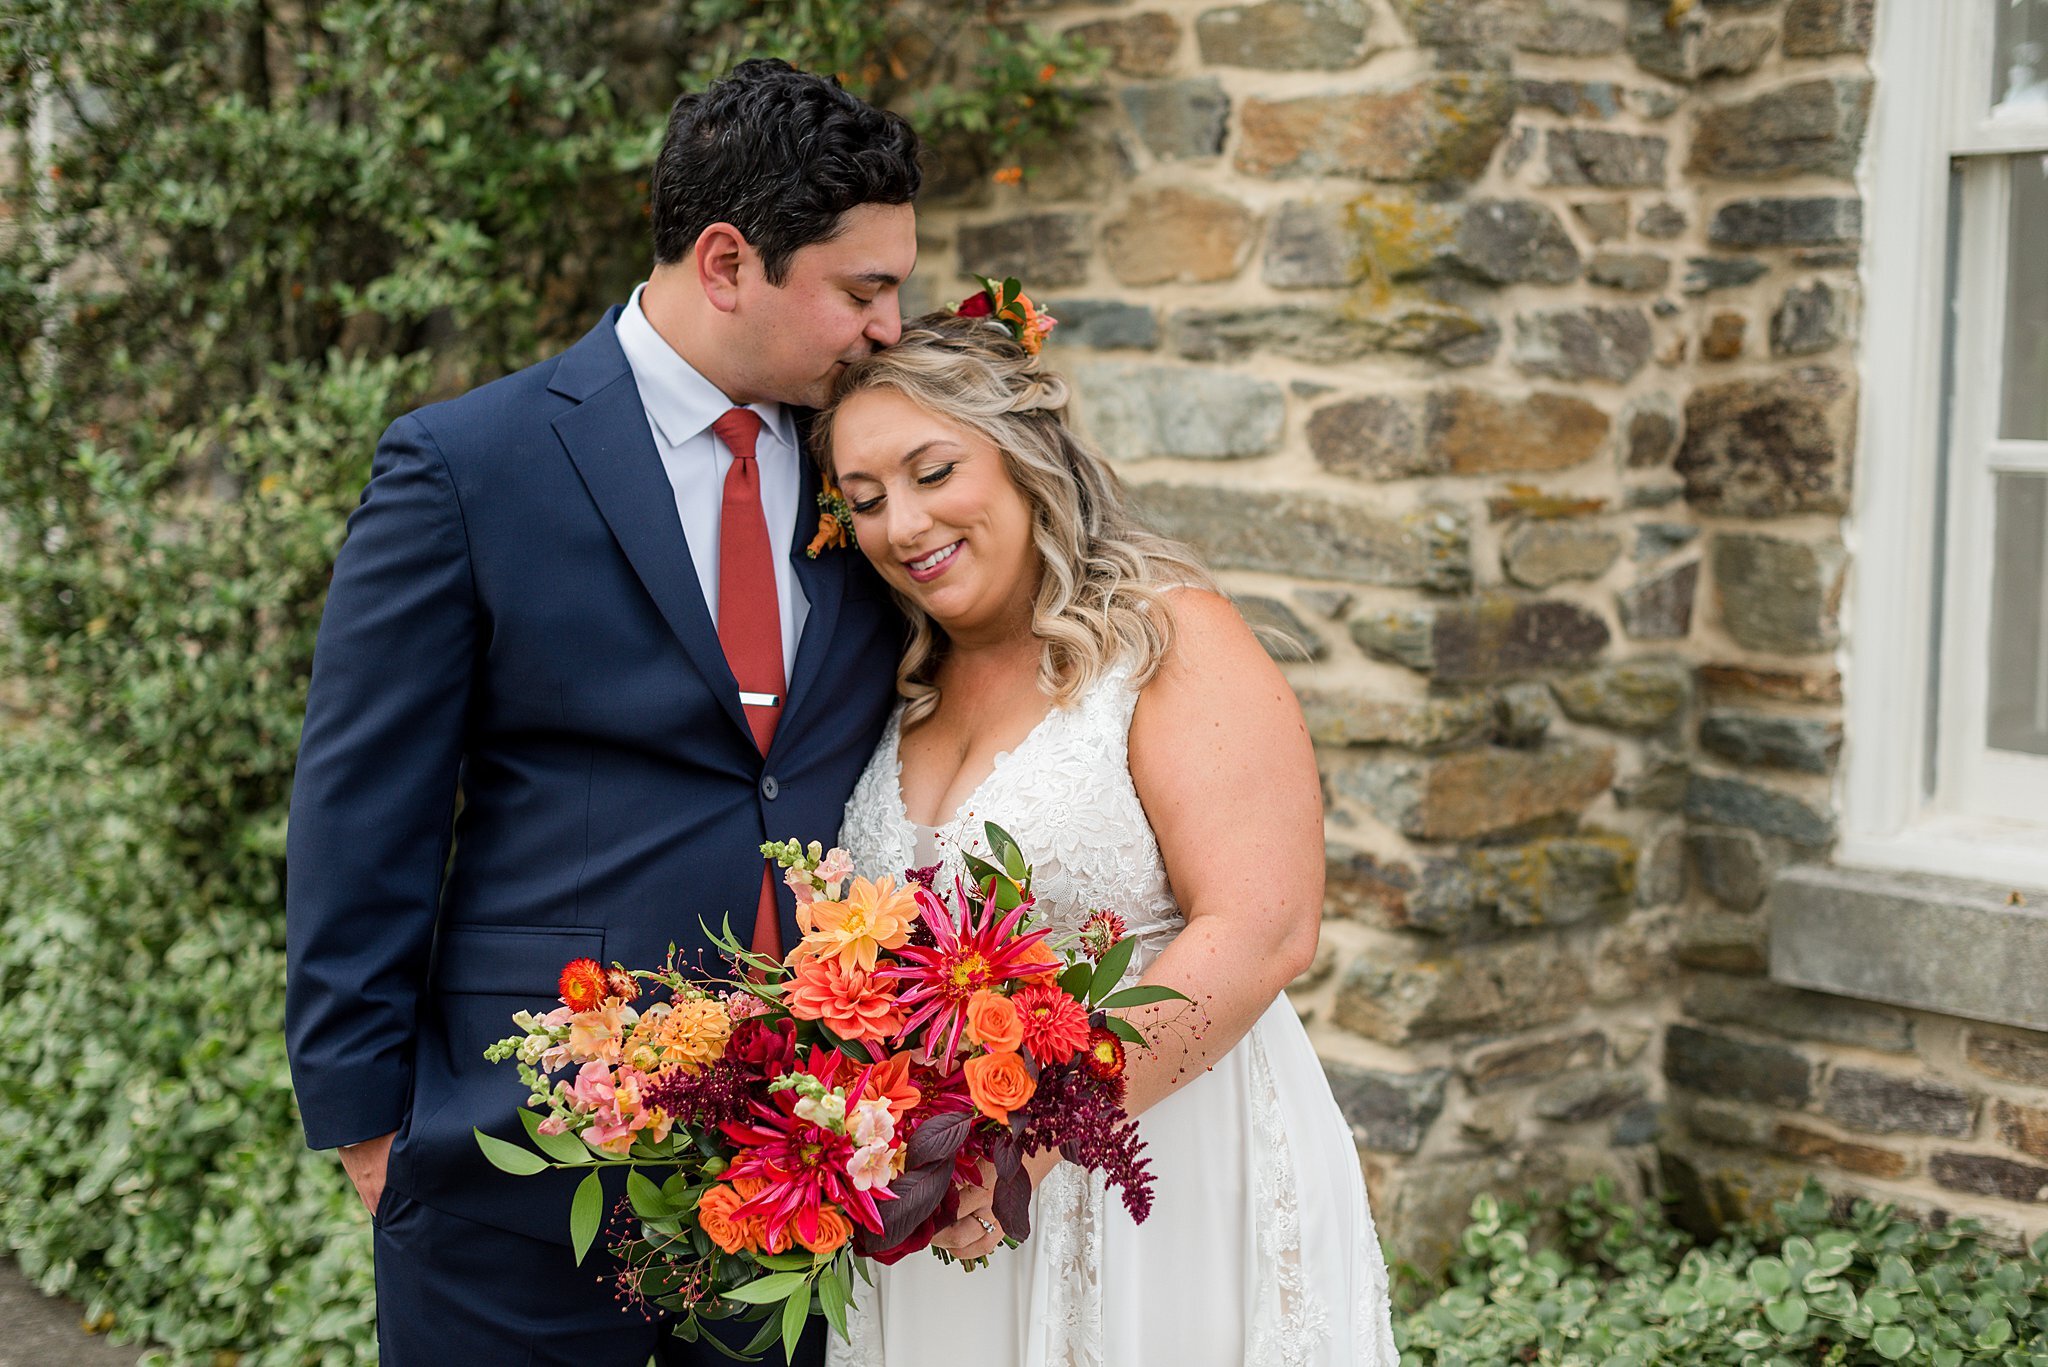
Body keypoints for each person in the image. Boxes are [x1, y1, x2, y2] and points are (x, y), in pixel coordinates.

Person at [283, 60, 920, 1365]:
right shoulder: (467, 465)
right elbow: (362, 814)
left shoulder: (874, 467)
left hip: (799, 1176)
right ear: (729, 261)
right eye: (864, 289)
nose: (893, 328)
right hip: (517, 1165)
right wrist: (373, 1136)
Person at [816, 311, 1399, 1365]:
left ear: (1026, 457)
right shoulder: (886, 685)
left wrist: (1029, 1141)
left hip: (1157, 1175)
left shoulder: (1166, 638)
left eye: (932, 469)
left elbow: (1264, 925)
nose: (902, 524)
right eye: (865, 500)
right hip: (938, 1207)